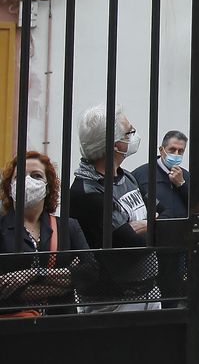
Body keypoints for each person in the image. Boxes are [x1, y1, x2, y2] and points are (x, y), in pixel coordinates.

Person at [69, 104, 157, 311]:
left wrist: (144, 225)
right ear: (113, 144)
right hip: (111, 300)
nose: (134, 136)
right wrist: (152, 224)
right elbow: (132, 245)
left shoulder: (127, 177)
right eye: (129, 132)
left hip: (147, 290)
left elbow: (163, 215)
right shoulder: (88, 191)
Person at [0, 151, 97, 315]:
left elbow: (90, 273)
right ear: (10, 187)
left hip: (61, 325)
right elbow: (4, 289)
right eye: (20, 176)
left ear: (48, 187)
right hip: (14, 329)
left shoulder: (67, 226)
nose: (28, 181)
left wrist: (32, 274)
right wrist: (64, 281)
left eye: (36, 176)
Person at [131, 129, 189, 309]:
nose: (176, 154)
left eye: (181, 151)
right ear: (161, 149)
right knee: (147, 300)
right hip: (150, 248)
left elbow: (197, 206)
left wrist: (181, 185)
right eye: (172, 150)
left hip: (177, 249)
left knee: (172, 299)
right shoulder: (142, 175)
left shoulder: (185, 176)